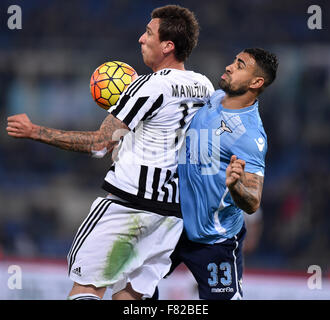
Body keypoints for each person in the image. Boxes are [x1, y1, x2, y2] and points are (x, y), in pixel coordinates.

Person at [6, 5, 214, 300]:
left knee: (86, 288)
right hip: (172, 215)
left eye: (149, 33)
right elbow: (198, 146)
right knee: (128, 297)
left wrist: (34, 131)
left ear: (168, 46)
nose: (141, 39)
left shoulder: (148, 86)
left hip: (127, 206)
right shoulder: (203, 86)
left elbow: (98, 144)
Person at [165, 48, 278, 300]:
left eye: (240, 65)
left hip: (214, 239)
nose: (229, 66)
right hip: (173, 225)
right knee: (131, 286)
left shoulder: (250, 136)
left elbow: (253, 202)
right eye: (233, 60)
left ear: (256, 82)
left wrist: (236, 185)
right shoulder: (213, 98)